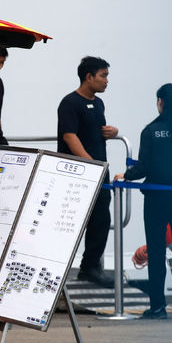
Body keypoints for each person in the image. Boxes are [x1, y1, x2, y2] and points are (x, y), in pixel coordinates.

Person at [114, 83, 172, 319]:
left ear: (160, 102)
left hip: (157, 199)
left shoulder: (150, 131)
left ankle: (158, 307)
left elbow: (144, 167)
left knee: (156, 251)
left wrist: (126, 175)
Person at [57, 56, 119, 287]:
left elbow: (95, 131)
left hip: (99, 172)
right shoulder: (69, 103)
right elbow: (69, 136)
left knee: (101, 220)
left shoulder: (99, 103)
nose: (107, 81)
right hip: (78, 173)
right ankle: (57, 268)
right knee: (69, 223)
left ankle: (90, 267)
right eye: (103, 76)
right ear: (89, 77)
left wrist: (112, 132)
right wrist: (90, 164)